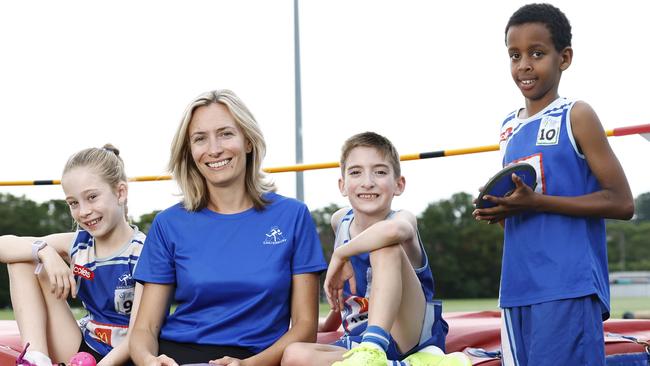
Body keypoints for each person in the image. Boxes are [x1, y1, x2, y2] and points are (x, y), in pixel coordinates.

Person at [472, 4, 634, 365]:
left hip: (568, 285)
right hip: (516, 289)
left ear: (564, 58)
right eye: (515, 55)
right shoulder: (507, 127)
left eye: (537, 53)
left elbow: (623, 202)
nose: (524, 65)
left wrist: (538, 203)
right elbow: (523, 209)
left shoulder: (577, 114)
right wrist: (499, 209)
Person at [129, 89, 327, 366]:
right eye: (200, 139)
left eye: (225, 133)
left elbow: (305, 327)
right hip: (179, 356)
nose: (214, 149)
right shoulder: (169, 223)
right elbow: (145, 328)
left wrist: (248, 365)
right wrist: (149, 361)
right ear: (190, 151)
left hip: (259, 359)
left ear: (248, 141)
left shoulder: (293, 216)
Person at [282, 132, 469, 366]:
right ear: (342, 185)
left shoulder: (402, 220)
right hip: (359, 339)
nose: (367, 181)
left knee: (384, 245)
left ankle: (377, 349)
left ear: (398, 184)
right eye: (356, 172)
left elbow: (392, 232)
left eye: (380, 172)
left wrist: (341, 253)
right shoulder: (340, 221)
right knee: (294, 355)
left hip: (409, 335)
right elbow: (353, 294)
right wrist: (327, 325)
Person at [0, 144, 145, 366]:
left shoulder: (143, 251)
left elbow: (141, 333)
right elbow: (4, 245)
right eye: (74, 203)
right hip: (85, 345)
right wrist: (45, 251)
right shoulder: (78, 243)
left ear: (120, 192)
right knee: (22, 257)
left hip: (131, 353)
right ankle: (36, 358)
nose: (84, 211)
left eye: (92, 197)